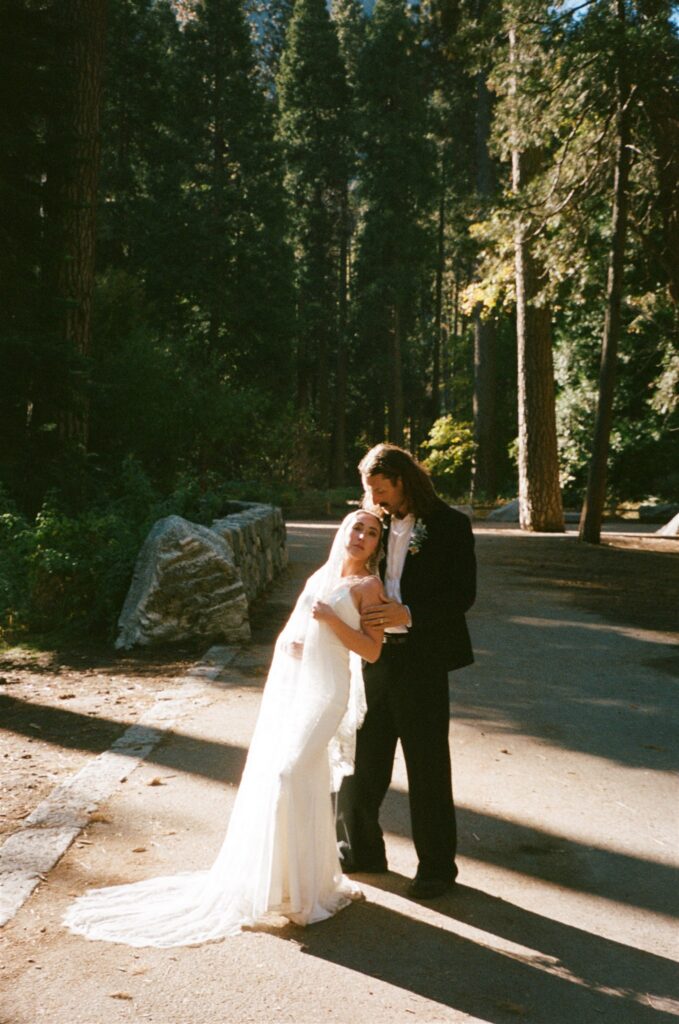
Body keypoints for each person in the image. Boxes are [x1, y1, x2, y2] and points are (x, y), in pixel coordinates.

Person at [63, 511, 386, 947]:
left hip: (328, 694)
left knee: (288, 774)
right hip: (300, 687)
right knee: (299, 778)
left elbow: (371, 650)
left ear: (376, 545)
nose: (362, 537)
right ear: (343, 532)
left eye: (371, 533)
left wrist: (330, 622)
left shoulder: (368, 587)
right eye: (357, 528)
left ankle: (304, 890)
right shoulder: (320, 576)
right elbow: (296, 630)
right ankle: (287, 886)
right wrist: (295, 644)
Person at [336, 444, 476, 899]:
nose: (374, 498)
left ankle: (436, 869)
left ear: (403, 480)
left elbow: (462, 595)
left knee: (427, 764)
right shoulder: (373, 524)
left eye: (380, 488)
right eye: (369, 491)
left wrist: (408, 613)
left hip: (423, 659)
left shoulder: (451, 526)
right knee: (364, 758)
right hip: (374, 657)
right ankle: (360, 850)